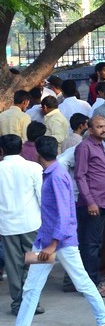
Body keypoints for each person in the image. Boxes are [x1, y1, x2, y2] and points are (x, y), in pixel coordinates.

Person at [0, 137, 105, 326]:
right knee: (30, 289)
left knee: (82, 283)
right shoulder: (52, 174)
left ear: (37, 154)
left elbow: (64, 214)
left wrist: (52, 245)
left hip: (60, 243)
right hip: (45, 241)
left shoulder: (56, 176)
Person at [72, 116, 105, 298]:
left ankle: (94, 282)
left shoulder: (101, 146)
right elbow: (80, 176)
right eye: (99, 127)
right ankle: (92, 285)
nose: (104, 129)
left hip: (103, 201)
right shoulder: (84, 147)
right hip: (92, 204)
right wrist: (90, 201)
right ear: (90, 130)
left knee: (97, 243)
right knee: (90, 245)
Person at [0, 135, 43, 315]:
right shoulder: (33, 167)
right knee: (35, 262)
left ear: (1, 150)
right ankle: (33, 300)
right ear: (21, 149)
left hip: (7, 224)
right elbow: (42, 196)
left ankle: (18, 302)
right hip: (31, 222)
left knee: (13, 264)